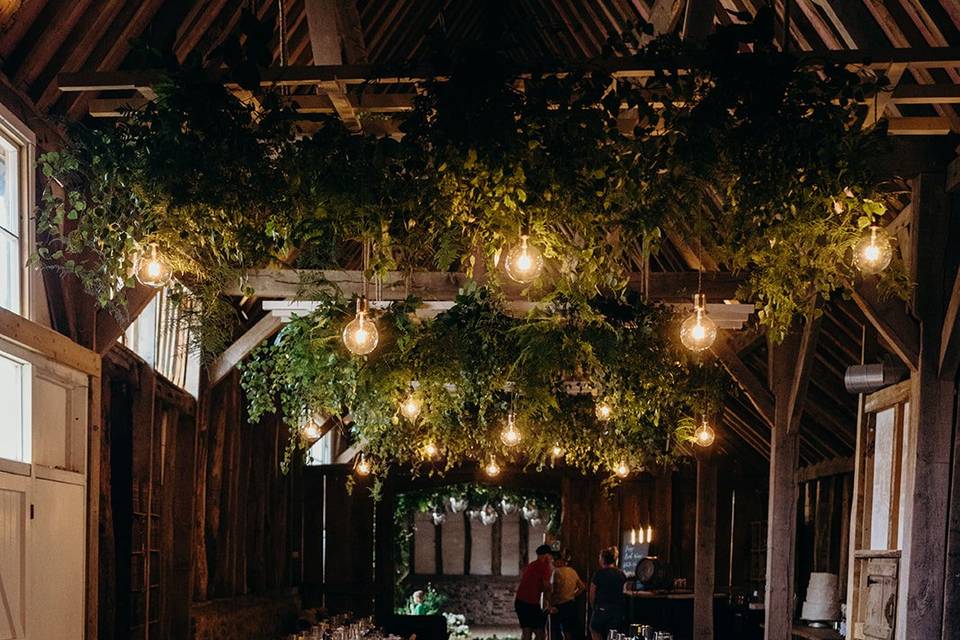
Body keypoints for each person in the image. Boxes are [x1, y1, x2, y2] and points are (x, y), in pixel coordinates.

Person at [516, 544, 555, 640]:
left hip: (520, 602)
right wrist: (550, 604)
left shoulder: (532, 565)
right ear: (546, 555)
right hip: (531, 603)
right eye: (550, 556)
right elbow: (546, 587)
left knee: (526, 632)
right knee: (540, 633)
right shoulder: (545, 567)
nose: (551, 558)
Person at [588, 547, 626, 640]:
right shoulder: (621, 574)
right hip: (617, 610)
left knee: (594, 629)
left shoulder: (599, 573)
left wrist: (594, 607)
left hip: (602, 608)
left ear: (603, 559)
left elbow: (592, 593)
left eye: (600, 557)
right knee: (612, 634)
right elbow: (624, 591)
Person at [550, 550, 586, 640]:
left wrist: (550, 604)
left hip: (559, 605)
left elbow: (555, 591)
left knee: (556, 632)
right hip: (570, 604)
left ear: (557, 561)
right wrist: (573, 595)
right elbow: (582, 587)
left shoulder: (556, 572)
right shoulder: (572, 571)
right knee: (568, 631)